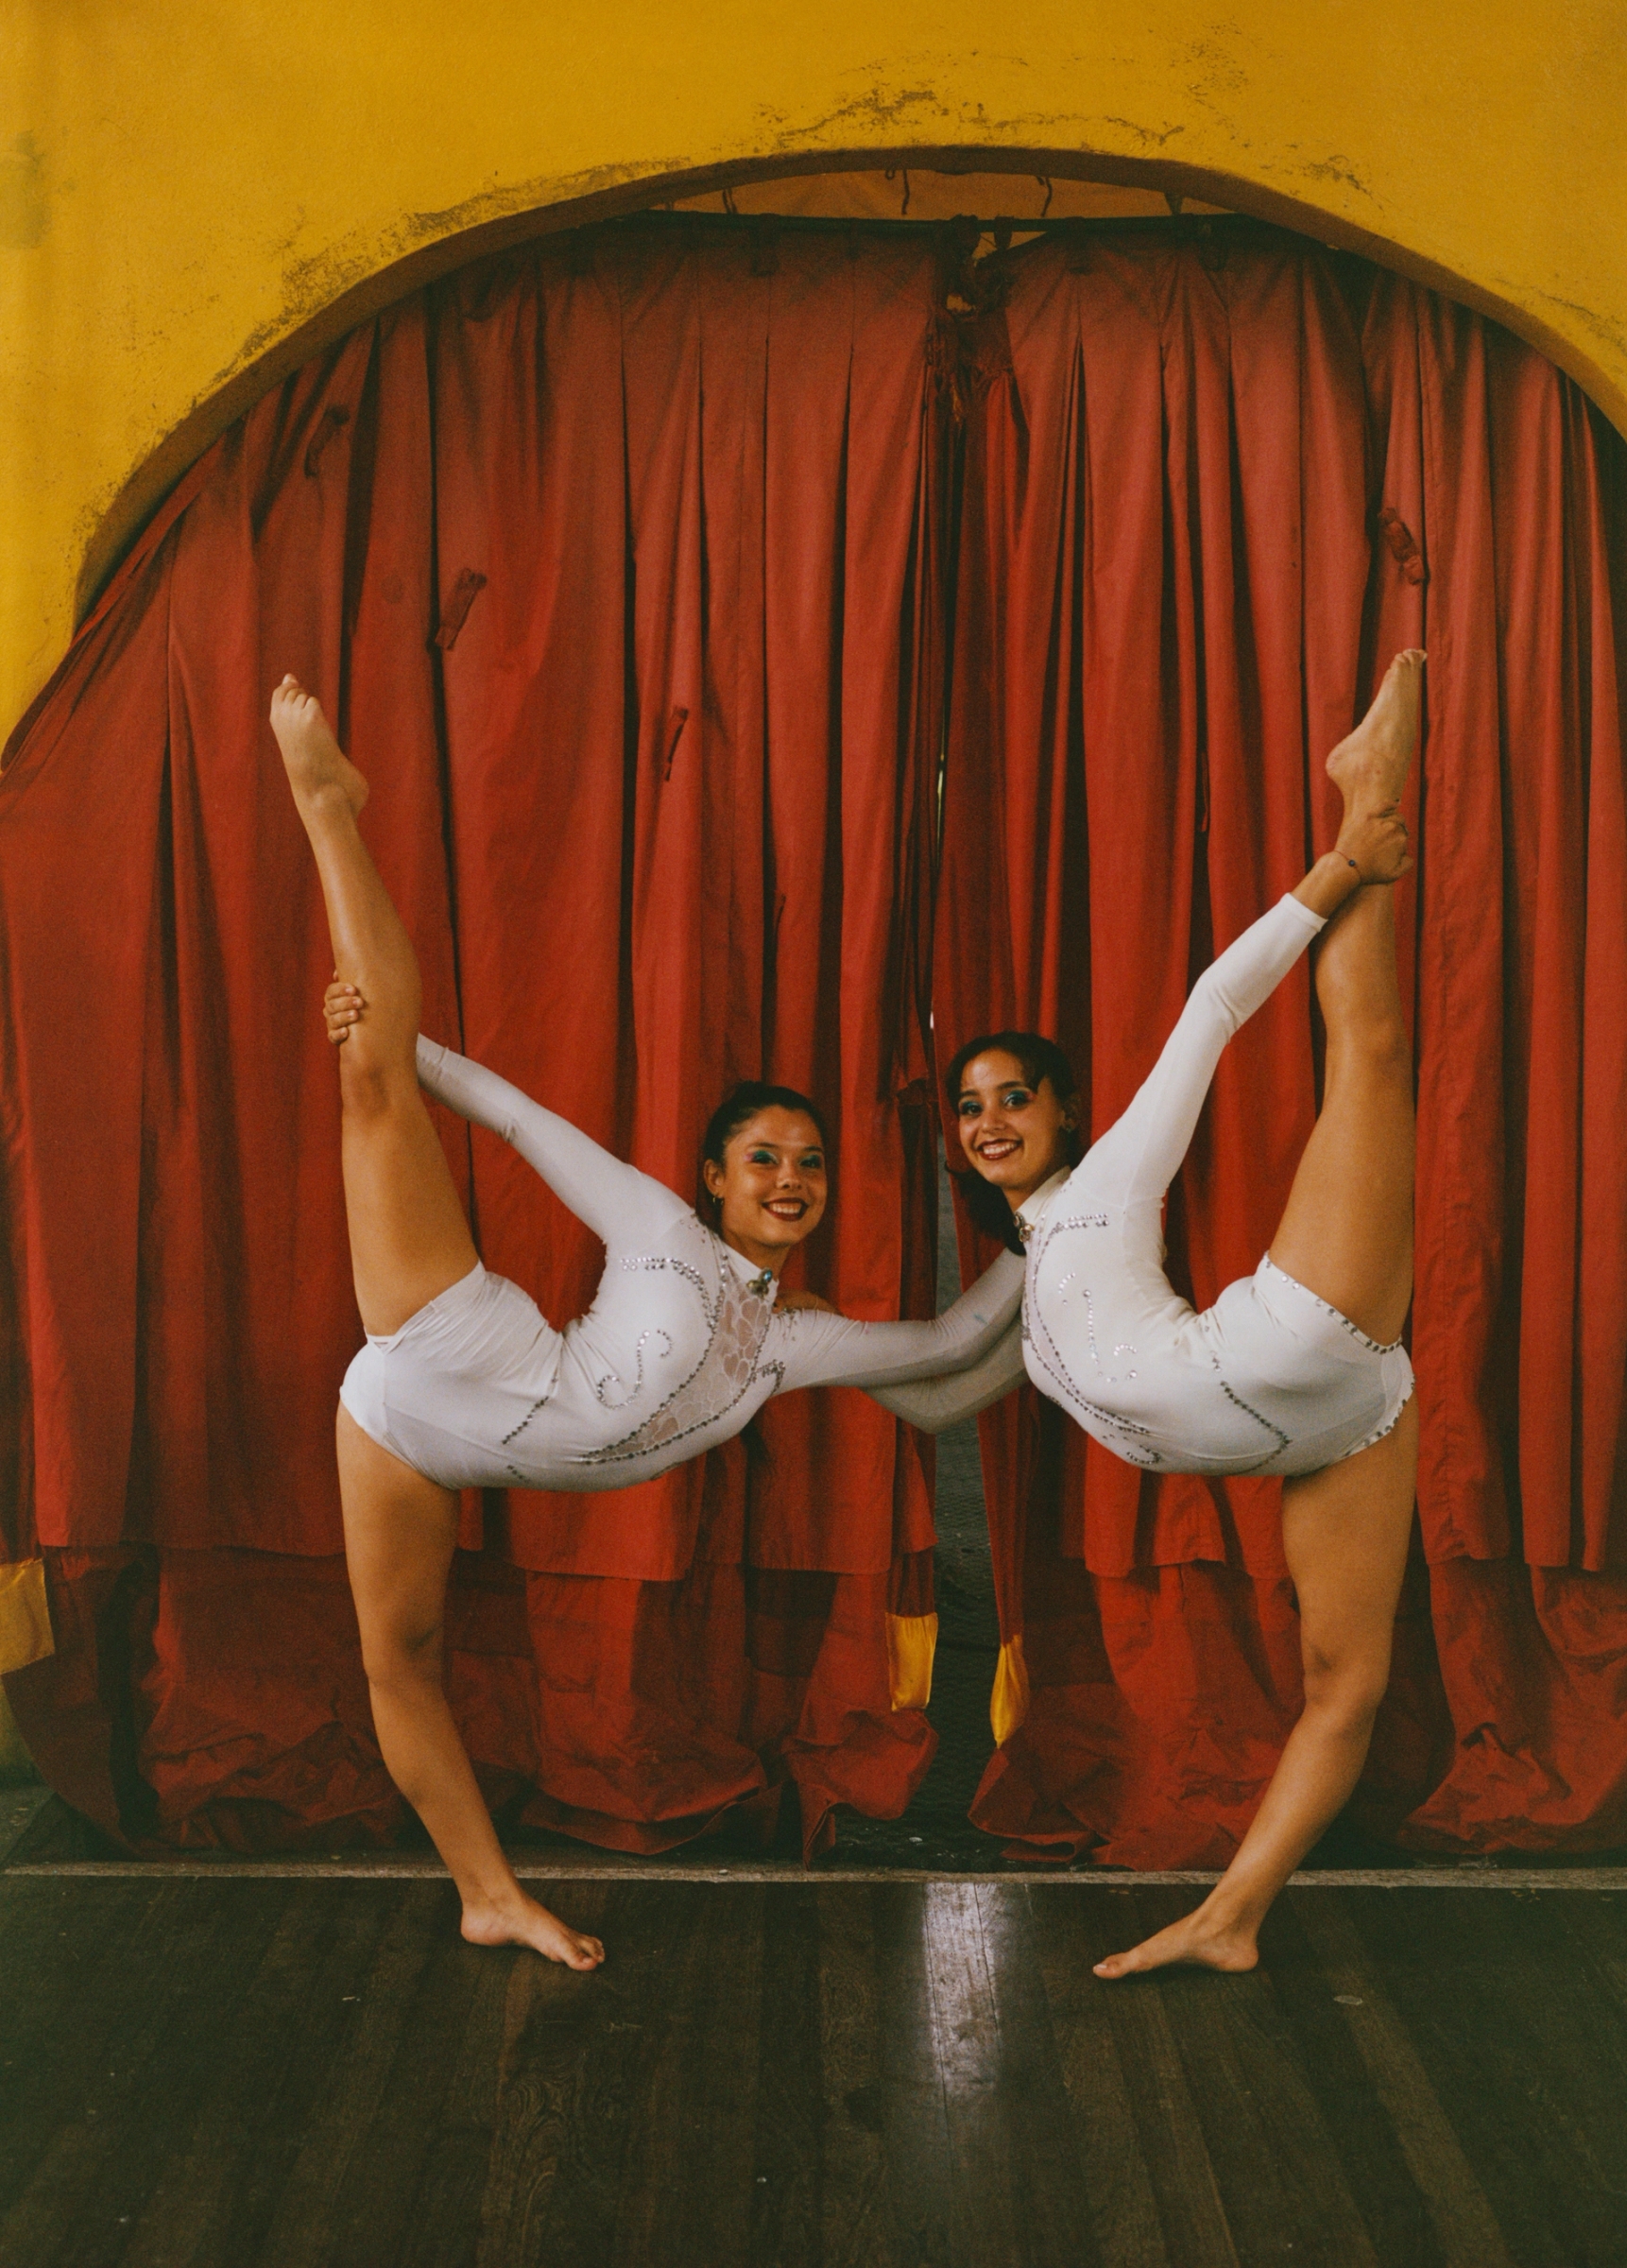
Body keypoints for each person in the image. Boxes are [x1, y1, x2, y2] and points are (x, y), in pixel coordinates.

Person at [269, 674, 1023, 1966]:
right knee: (374, 1089)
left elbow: (951, 1361)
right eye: (763, 1158)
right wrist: (400, 1046)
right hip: (451, 1351)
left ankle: (489, 1898)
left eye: (810, 1165)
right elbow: (518, 1120)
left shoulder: (790, 1344)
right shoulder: (660, 1227)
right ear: (715, 1177)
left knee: (409, 1658)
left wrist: (1045, 1237)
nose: (790, 1180)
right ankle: (329, 805)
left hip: (425, 1445)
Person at [874, 650, 1426, 1978]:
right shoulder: (1023, 1288)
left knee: (1371, 1055)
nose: (990, 1121)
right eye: (969, 1107)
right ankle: (1230, 1919)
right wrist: (767, 1352)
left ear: (1062, 1111)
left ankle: (1369, 798)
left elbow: (1212, 1008)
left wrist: (1339, 873)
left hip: (1285, 1343)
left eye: (1014, 1097)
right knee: (1345, 1685)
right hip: (1334, 1429)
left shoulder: (1107, 1181)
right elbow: (937, 1389)